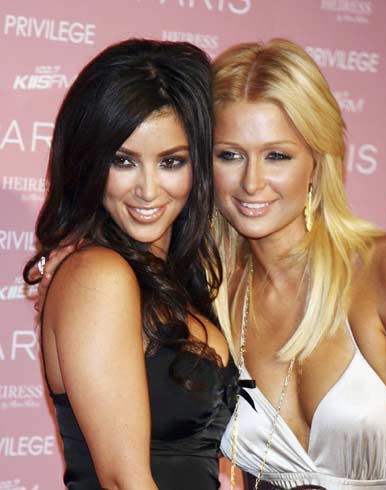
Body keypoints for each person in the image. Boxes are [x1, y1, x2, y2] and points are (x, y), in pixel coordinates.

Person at [23, 38, 237, 490]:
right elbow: (124, 481)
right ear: (88, 162)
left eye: (171, 162)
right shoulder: (98, 276)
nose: (148, 190)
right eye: (123, 161)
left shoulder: (181, 282)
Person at [211, 39, 386, 489]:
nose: (251, 182)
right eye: (230, 155)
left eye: (276, 155)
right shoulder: (213, 298)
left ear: (317, 162)